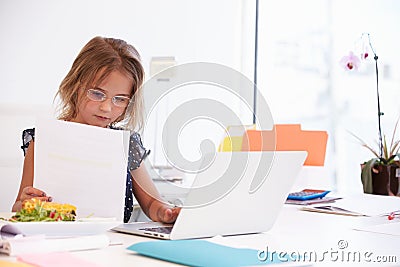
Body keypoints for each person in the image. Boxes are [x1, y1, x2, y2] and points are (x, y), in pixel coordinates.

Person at [12, 36, 180, 224]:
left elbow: (152, 204)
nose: (107, 108)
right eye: (97, 94)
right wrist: (25, 203)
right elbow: (18, 207)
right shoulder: (45, 139)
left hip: (111, 245)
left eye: (120, 99)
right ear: (75, 86)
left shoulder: (126, 144)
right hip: (54, 241)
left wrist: (167, 212)